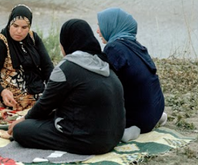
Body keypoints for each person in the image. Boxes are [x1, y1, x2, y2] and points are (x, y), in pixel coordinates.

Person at [9, 19, 125, 155]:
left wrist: (22, 120)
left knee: (21, 130)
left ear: (67, 41)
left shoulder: (68, 67)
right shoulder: (104, 63)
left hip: (90, 142)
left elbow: (44, 105)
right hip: (114, 138)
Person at [97, 7, 166, 142]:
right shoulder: (133, 44)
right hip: (156, 109)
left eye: (100, 26)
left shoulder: (114, 48)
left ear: (112, 25)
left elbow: (104, 82)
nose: (98, 31)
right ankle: (151, 119)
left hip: (139, 118)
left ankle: (127, 129)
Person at [0, 4, 54, 110]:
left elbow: (47, 66)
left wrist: (53, 89)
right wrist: (2, 92)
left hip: (39, 91)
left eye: (24, 27)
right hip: (13, 98)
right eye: (15, 26)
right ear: (9, 24)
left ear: (29, 27)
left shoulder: (33, 38)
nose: (19, 31)